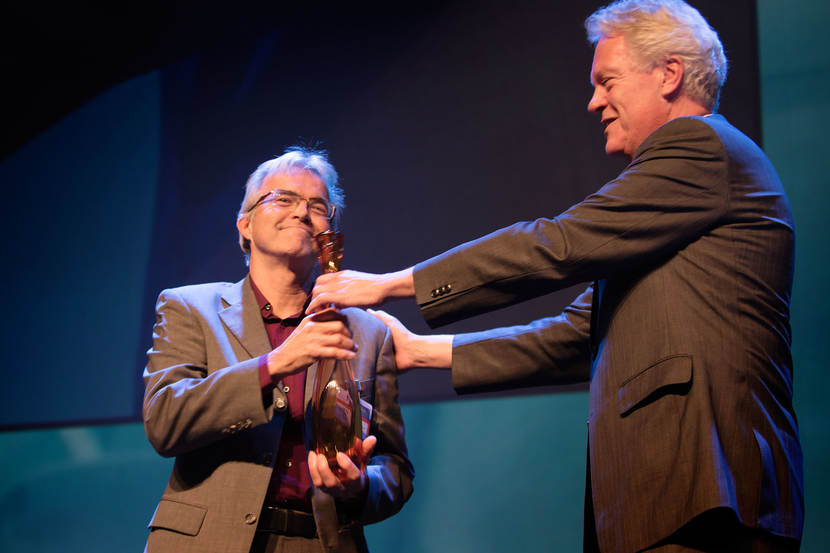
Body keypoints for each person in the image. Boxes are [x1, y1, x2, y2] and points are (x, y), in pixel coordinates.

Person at [307, 1, 803, 552]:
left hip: (708, 492)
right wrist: (420, 351)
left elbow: (556, 244)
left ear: (669, 74)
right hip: (672, 499)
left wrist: (389, 283)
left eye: (606, 81)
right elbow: (574, 336)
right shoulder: (678, 202)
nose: (593, 102)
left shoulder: (699, 148)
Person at [142, 147, 413, 553]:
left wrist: (359, 485)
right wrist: (276, 364)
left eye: (318, 206)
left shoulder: (369, 333)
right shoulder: (190, 308)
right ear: (245, 224)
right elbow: (165, 422)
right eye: (283, 198)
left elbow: (396, 471)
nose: (302, 212)